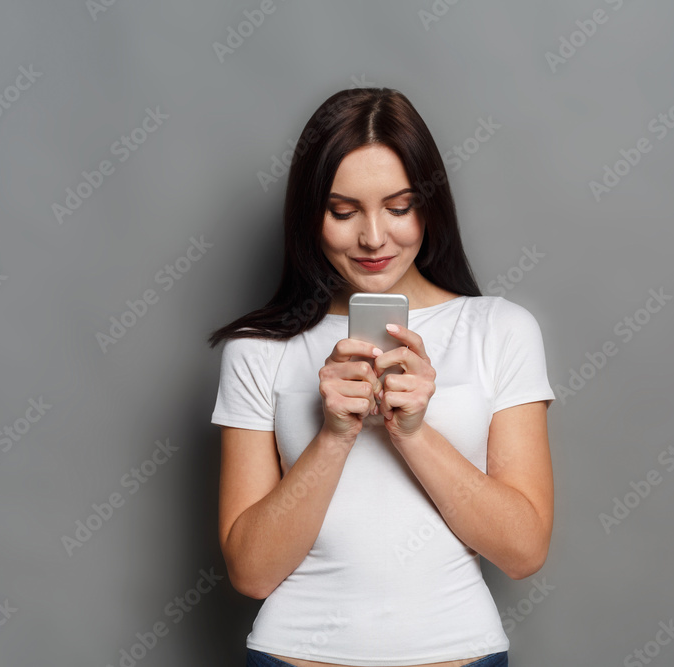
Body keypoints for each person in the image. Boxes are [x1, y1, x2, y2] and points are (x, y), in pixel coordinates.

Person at [208, 87, 555, 667]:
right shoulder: (259, 350)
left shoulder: (499, 329)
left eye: (398, 208)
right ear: (309, 215)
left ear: (429, 206)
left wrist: (414, 433)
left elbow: (523, 551)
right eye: (343, 212)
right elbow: (251, 571)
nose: (373, 238)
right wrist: (334, 436)